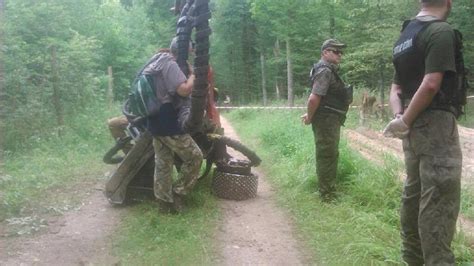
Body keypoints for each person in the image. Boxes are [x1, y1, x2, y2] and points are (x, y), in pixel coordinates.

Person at [383, 0, 463, 264]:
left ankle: (413, 259)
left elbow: (395, 87)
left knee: (414, 193)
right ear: (448, 2)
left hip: (413, 127)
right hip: (436, 125)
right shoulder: (440, 32)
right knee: (438, 200)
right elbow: (431, 84)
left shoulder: (406, 36)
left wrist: (400, 118)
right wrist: (405, 119)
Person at [146, 37, 203, 213]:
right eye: (190, 52)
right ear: (184, 50)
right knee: (195, 157)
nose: (190, 56)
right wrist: (193, 75)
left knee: (163, 162)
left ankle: (164, 203)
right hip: (167, 119)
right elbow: (184, 90)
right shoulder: (169, 63)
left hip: (153, 118)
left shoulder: (154, 61)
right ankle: (178, 193)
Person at [301, 39, 348, 202]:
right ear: (325, 53)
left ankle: (328, 190)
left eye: (340, 52)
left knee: (330, 153)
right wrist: (310, 117)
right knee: (327, 154)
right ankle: (327, 194)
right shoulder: (324, 71)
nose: (339, 55)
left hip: (329, 118)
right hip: (326, 119)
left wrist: (310, 116)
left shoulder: (327, 70)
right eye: (336, 51)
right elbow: (314, 99)